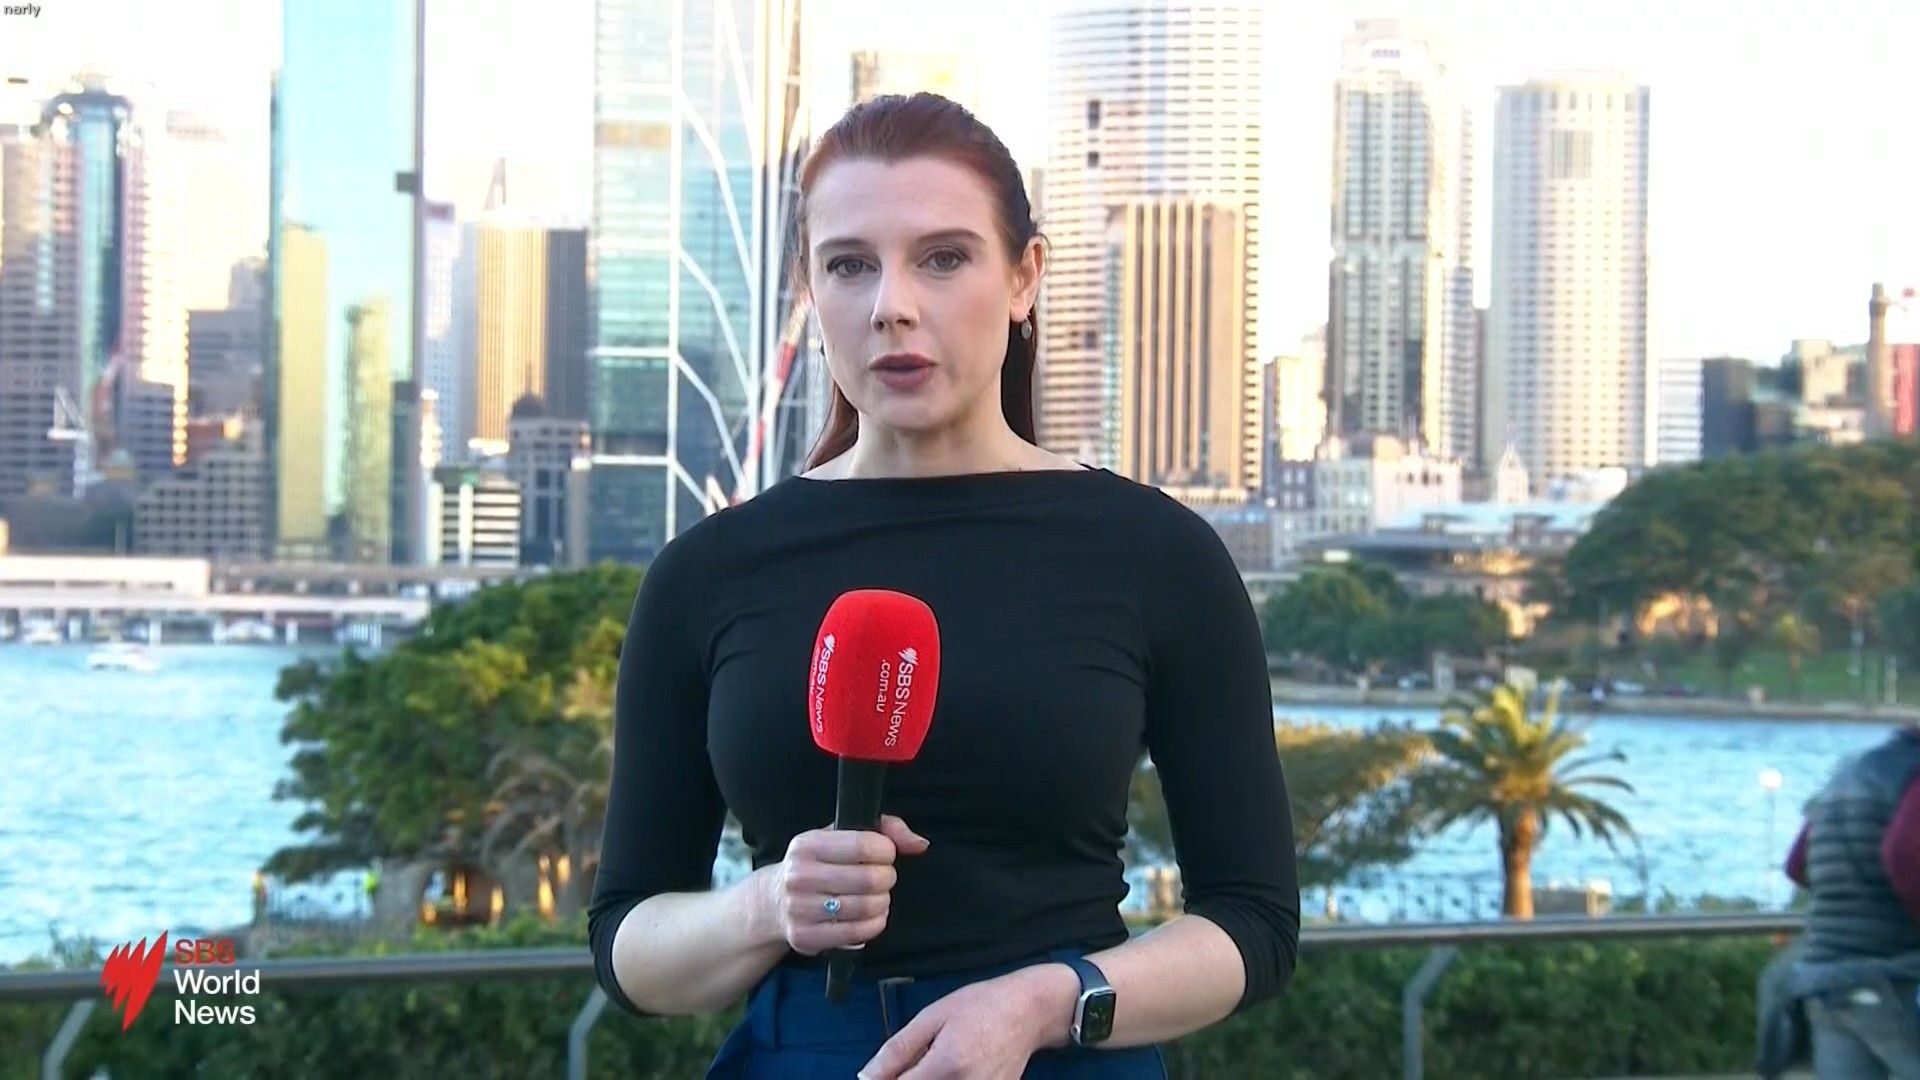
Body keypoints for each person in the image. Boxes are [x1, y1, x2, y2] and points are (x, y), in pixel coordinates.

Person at [587, 92, 1299, 1080]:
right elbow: (626, 946)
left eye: (943, 258)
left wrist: (1048, 1001)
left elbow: (1254, 922)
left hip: (1067, 1054)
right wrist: (768, 905)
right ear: (809, 289)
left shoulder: (1156, 553)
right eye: (850, 265)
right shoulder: (707, 571)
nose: (892, 304)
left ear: (1024, 277)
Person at [1771, 723, 1920, 1078]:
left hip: (1825, 980)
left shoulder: (1846, 775)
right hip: (1891, 973)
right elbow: (1903, 855)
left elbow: (1797, 865)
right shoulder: (1914, 777)